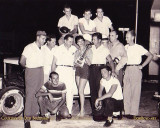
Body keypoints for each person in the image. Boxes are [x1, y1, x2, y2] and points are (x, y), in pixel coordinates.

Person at [123, 30, 153, 119]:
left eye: (127, 37)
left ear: (133, 37)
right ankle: (127, 111)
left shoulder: (138, 47)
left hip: (136, 69)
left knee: (135, 91)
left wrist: (142, 66)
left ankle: (133, 112)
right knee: (126, 91)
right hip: (127, 69)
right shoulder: (125, 47)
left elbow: (150, 55)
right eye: (126, 37)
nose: (126, 39)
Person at [20, 31, 47, 128]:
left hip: (40, 71)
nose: (44, 40)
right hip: (31, 71)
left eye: (45, 38)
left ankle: (34, 115)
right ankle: (26, 120)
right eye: (43, 38)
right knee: (30, 95)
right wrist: (28, 69)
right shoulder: (29, 47)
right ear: (38, 37)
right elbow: (22, 61)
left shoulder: (43, 48)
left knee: (38, 93)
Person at [89, 32, 116, 118]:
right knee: (92, 90)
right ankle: (95, 111)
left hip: (100, 69)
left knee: (100, 90)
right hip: (92, 69)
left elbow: (110, 61)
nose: (92, 41)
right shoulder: (91, 48)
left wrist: (113, 71)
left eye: (94, 39)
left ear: (100, 40)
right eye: (92, 39)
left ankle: (103, 111)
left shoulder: (104, 49)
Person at [51, 34, 77, 117]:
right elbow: (53, 62)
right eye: (69, 41)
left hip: (70, 70)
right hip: (60, 70)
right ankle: (58, 111)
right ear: (65, 41)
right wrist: (52, 74)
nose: (71, 43)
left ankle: (69, 111)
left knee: (69, 91)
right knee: (59, 91)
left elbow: (77, 61)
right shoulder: (58, 49)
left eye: (72, 41)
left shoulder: (74, 49)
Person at [74, 35, 92, 117]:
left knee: (81, 91)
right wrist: (76, 62)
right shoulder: (77, 51)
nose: (80, 43)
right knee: (79, 91)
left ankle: (82, 111)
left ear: (84, 41)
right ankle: (82, 109)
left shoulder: (88, 50)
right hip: (78, 70)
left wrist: (85, 57)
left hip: (85, 70)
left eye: (81, 41)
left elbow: (90, 63)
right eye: (78, 41)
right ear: (77, 43)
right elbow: (75, 64)